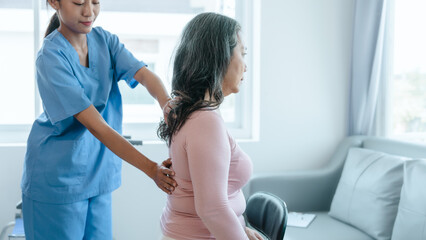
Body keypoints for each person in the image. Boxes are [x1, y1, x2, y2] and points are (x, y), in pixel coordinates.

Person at [20, 0, 177, 239]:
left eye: (95, 2)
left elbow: (144, 75)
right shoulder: (50, 57)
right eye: (79, 2)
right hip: (57, 181)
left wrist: (166, 104)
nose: (89, 11)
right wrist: (151, 169)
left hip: (98, 176)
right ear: (54, 2)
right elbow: (98, 127)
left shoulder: (105, 41)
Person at [157, 12, 263, 240]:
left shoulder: (186, 111)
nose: (245, 66)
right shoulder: (205, 122)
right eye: (242, 54)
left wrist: (239, 229)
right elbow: (212, 210)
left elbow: (202, 193)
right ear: (219, 58)